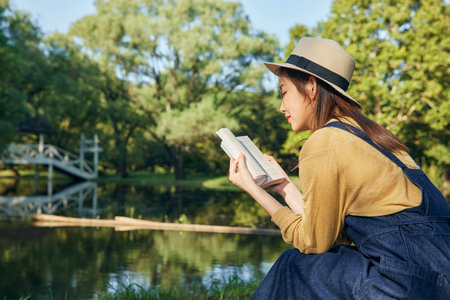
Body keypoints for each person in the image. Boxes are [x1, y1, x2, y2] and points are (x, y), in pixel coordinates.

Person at [227, 37, 450, 299]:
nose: (281, 106)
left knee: (293, 266)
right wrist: (284, 187)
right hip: (434, 279)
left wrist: (256, 191)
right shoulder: (367, 135)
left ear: (310, 85)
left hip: (407, 284)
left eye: (284, 92)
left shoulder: (324, 142)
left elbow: (313, 243)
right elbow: (329, 237)